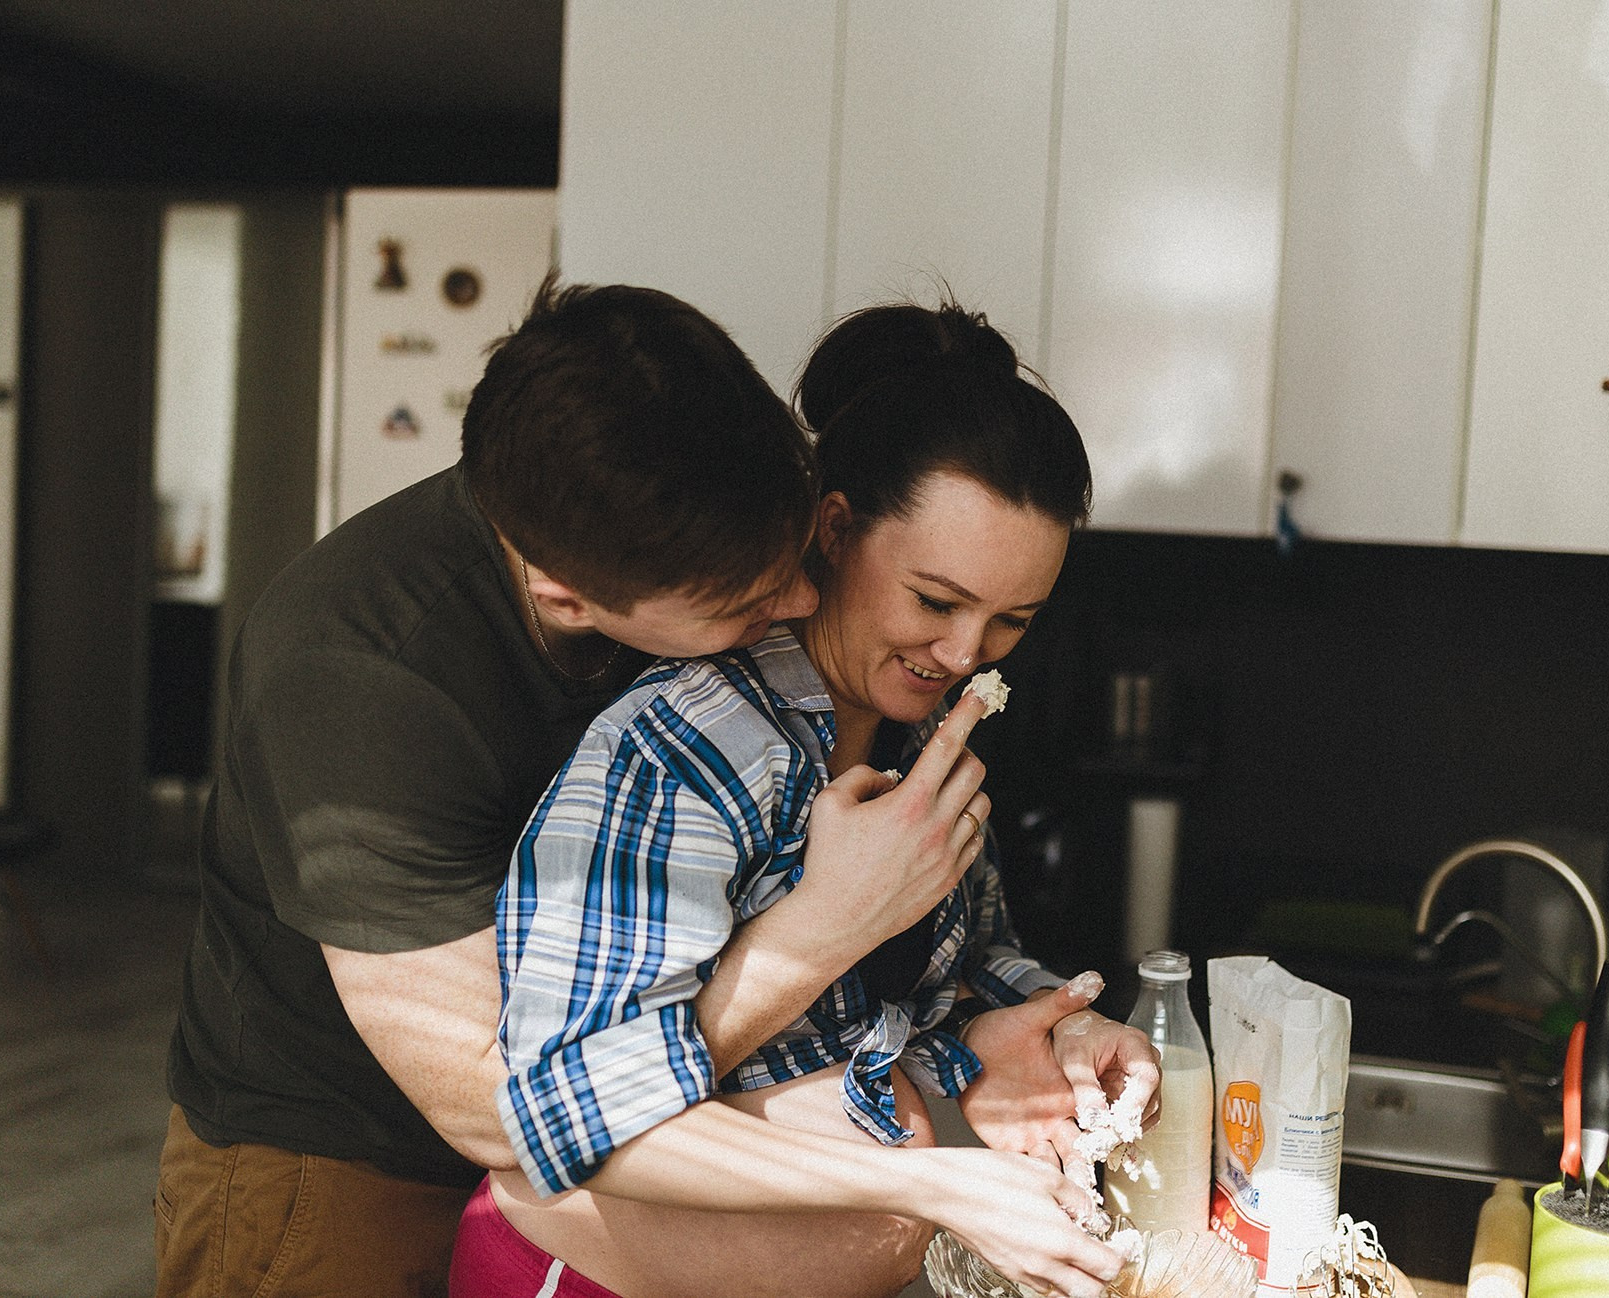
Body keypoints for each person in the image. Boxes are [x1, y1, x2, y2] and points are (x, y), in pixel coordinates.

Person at [154, 281, 1007, 1298]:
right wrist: (823, 931)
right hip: (340, 1152)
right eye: (747, 604)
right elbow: (498, 1111)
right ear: (570, 596)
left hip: (580, 1154)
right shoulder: (363, 682)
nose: (802, 603)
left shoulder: (660, 512)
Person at [453, 301, 1160, 1298]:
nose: (965, 654)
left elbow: (949, 968)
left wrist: (1047, 1024)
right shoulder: (687, 750)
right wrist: (932, 1184)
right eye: (936, 600)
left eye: (1012, 619)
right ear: (834, 527)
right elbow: (572, 1118)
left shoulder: (925, 737)